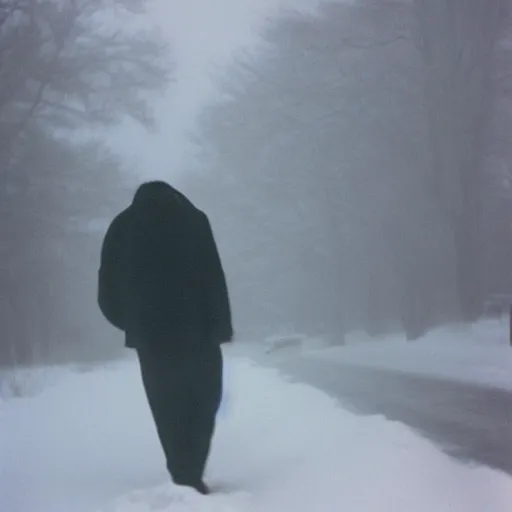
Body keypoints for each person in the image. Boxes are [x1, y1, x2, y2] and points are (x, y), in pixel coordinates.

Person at [97, 181, 233, 495]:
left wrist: (132, 323)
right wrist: (219, 325)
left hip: (154, 339)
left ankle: (184, 472)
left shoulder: (123, 226)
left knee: (167, 405)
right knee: (203, 399)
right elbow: (213, 275)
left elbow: (107, 288)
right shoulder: (194, 219)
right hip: (199, 333)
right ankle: (190, 470)